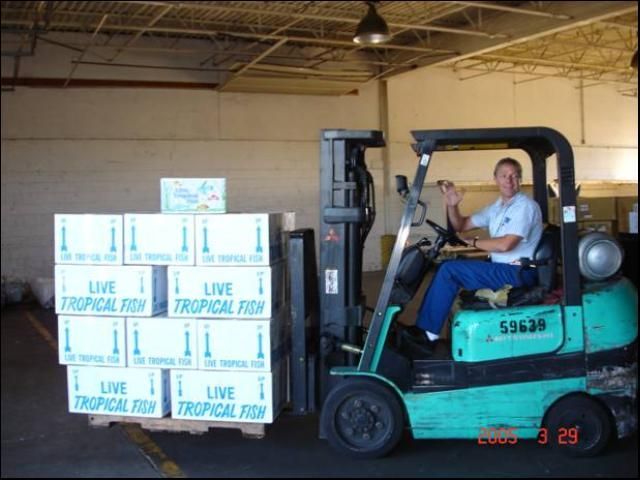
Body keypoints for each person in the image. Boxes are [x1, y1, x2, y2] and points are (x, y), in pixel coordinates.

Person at [404, 157, 543, 353]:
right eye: (504, 175)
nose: (509, 180)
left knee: (450, 271)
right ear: (495, 178)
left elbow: (505, 245)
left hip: (518, 271)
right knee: (450, 266)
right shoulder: (497, 208)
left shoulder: (525, 206)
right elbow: (461, 225)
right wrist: (452, 205)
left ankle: (428, 334)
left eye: (514, 176)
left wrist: (473, 242)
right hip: (503, 269)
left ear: (520, 179)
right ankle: (425, 328)